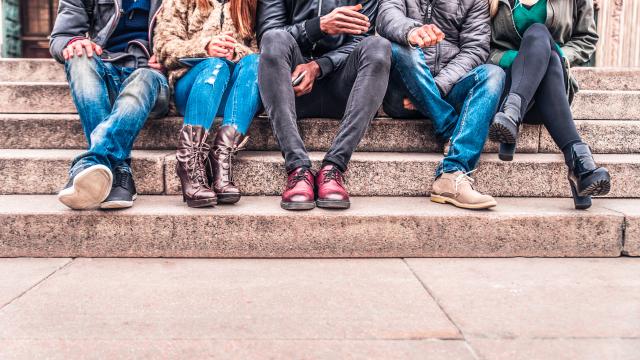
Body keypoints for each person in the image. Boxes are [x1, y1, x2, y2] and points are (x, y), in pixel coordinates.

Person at [257, 0, 392, 210]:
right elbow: (268, 34)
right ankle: (298, 169)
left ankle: (334, 167)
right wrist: (317, 27)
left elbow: (361, 39)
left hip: (343, 88)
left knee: (378, 46)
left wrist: (320, 66)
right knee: (273, 38)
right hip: (293, 88)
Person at [377, 0, 505, 209]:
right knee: (400, 47)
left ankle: (453, 172)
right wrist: (412, 32)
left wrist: (433, 89)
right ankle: (449, 128)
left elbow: (475, 50)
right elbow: (386, 16)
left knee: (493, 74)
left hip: (447, 89)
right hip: (403, 94)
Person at [488, 0, 610, 209]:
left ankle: (512, 113)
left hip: (549, 96)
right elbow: (477, 45)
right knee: (540, 39)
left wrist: (550, 54)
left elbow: (587, 39)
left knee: (542, 40)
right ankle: (579, 166)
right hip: (506, 84)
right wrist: (521, 59)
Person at [50, 0, 170, 210]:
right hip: (105, 67)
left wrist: (171, 55)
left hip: (152, 77)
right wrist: (73, 43)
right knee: (79, 57)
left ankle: (92, 162)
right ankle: (120, 172)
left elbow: (197, 32)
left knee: (143, 77)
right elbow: (61, 37)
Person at [154, 0, 260, 208]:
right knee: (216, 66)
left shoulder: (251, 3)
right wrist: (205, 48)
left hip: (235, 94)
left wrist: (234, 51)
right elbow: (163, 47)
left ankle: (221, 156)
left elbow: (261, 50)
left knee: (256, 63)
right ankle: (189, 162)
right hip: (192, 86)